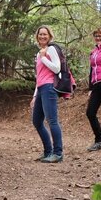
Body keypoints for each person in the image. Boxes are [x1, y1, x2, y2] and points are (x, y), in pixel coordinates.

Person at [30, 25, 64, 163]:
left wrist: (44, 58)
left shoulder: (51, 49)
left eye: (45, 34)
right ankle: (48, 152)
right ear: (37, 37)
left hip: (50, 88)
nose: (42, 36)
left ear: (50, 36)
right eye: (40, 34)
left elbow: (57, 69)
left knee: (52, 120)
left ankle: (58, 153)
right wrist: (34, 96)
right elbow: (39, 77)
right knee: (37, 121)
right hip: (41, 89)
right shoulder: (39, 53)